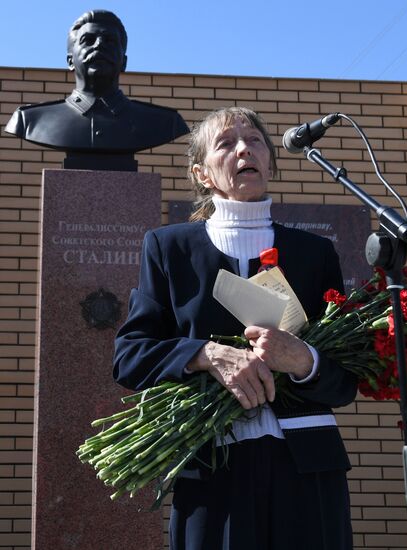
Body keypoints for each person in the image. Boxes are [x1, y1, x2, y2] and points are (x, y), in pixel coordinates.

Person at [113, 107, 357, 550]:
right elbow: (130, 355)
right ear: (202, 173)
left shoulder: (315, 253)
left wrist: (306, 361)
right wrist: (206, 355)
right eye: (226, 143)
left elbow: (344, 384)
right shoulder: (169, 248)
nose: (245, 148)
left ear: (271, 162)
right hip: (212, 466)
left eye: (256, 140)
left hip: (307, 466)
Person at [5, 10, 188, 169]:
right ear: (70, 61)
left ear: (124, 62)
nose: (99, 45)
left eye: (109, 41)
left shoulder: (164, 123)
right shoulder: (30, 121)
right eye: (88, 40)